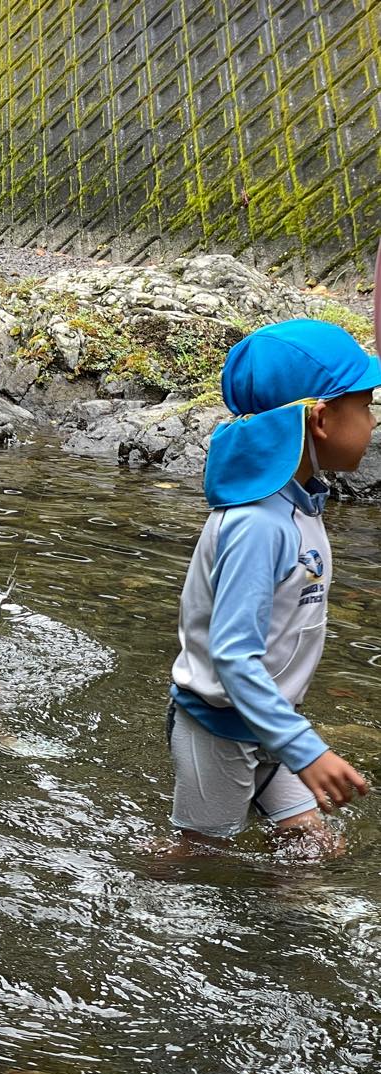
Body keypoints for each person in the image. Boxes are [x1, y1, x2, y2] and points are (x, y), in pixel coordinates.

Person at [168, 319, 376, 855]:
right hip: (218, 729)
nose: (373, 421)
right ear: (322, 420)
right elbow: (234, 657)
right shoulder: (259, 524)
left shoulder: (300, 503)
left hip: (266, 726)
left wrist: (290, 737)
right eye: (367, 405)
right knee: (197, 861)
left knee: (313, 852)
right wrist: (305, 749)